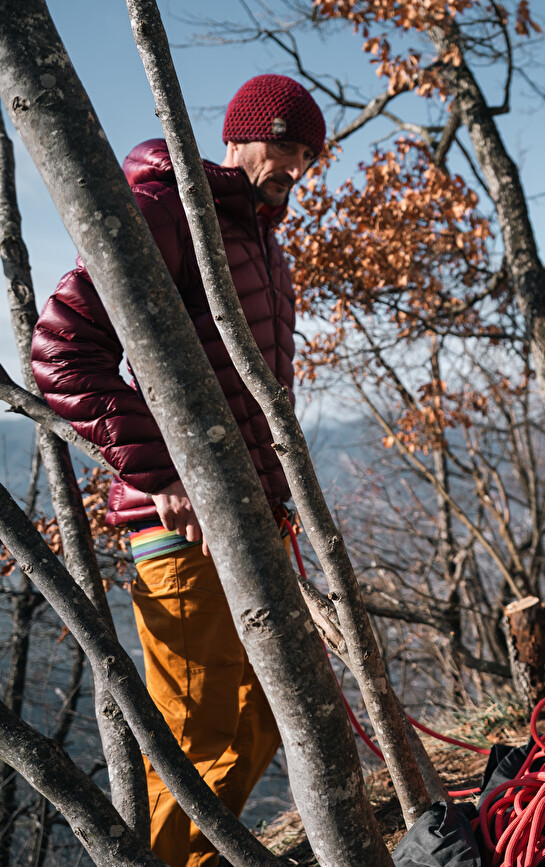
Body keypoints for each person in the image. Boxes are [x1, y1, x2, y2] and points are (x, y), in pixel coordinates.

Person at [30, 74, 324, 867]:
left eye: (308, 155)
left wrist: (275, 500)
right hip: (177, 530)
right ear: (243, 131)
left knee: (272, 713)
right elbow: (60, 351)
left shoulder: (264, 242)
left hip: (252, 523)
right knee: (199, 735)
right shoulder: (168, 209)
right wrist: (161, 473)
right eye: (287, 144)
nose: (297, 165)